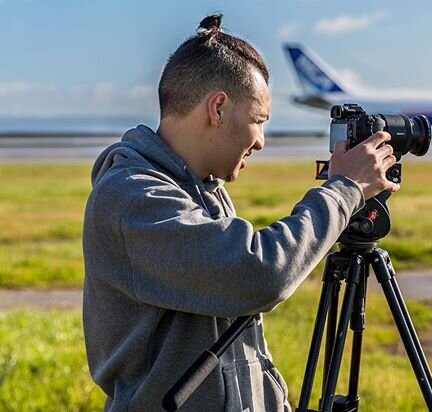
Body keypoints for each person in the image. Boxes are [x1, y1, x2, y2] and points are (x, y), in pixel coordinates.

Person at [82, 14, 399, 411]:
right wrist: (344, 190)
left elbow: (239, 341)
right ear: (217, 108)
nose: (261, 141)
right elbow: (260, 273)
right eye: (258, 121)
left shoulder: (199, 188)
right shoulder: (133, 198)